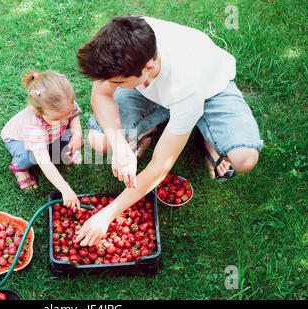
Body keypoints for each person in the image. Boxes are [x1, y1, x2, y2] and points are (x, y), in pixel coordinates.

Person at [74, 15, 263, 246]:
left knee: (245, 158)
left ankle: (206, 135)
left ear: (148, 67)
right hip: (148, 89)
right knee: (99, 141)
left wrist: (107, 214)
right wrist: (118, 143)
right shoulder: (125, 38)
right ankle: (151, 127)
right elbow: (101, 94)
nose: (113, 86)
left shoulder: (187, 86)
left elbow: (159, 166)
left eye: (118, 83)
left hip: (210, 92)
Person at [0, 70, 84, 208]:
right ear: (39, 111)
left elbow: (74, 115)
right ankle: (19, 167)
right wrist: (66, 189)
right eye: (58, 118)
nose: (65, 119)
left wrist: (77, 133)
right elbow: (44, 162)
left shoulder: (66, 103)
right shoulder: (34, 127)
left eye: (67, 114)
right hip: (18, 140)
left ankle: (62, 150)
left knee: (69, 137)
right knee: (30, 158)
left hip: (51, 135)